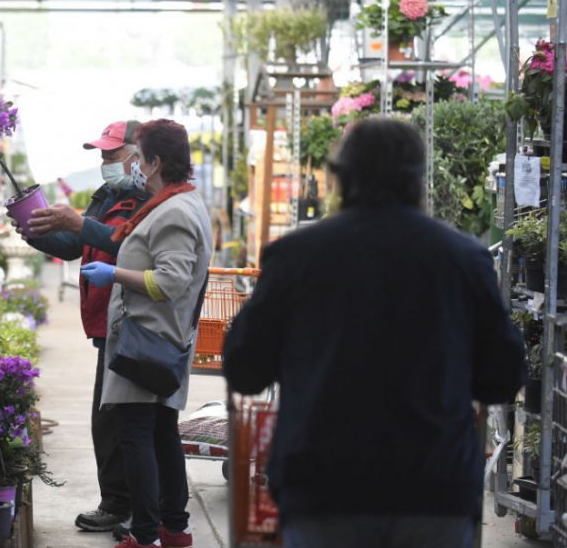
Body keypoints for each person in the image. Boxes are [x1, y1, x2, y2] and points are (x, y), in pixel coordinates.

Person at [222, 118, 526, 548]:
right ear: (418, 179)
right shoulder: (463, 258)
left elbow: (244, 368)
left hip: (324, 492)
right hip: (433, 491)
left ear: (340, 177)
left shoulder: (296, 256)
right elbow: (504, 375)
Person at [80, 119, 213, 548]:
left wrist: (114, 274)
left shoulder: (174, 211)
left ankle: (145, 535)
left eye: (138, 157)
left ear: (154, 162)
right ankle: (174, 529)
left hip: (149, 342)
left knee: (136, 434)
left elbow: (170, 281)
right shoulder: (171, 203)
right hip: (157, 339)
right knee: (160, 432)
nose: (133, 165)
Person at [14, 121, 151, 534]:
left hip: (133, 323)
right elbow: (75, 244)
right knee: (107, 418)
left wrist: (79, 224)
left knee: (126, 422)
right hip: (104, 324)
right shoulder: (106, 195)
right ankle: (122, 503)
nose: (105, 162)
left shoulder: (151, 199)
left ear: (138, 156)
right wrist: (31, 229)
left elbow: (129, 243)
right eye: (102, 155)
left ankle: (128, 507)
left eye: (112, 154)